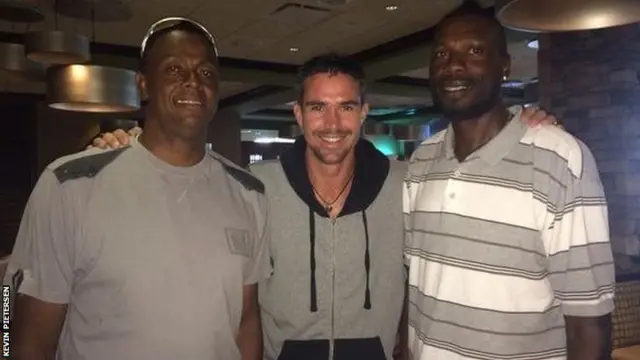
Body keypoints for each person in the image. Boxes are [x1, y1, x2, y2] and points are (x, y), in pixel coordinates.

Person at [91, 53, 557, 360]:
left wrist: (523, 122)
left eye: (345, 107)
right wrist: (129, 149)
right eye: (317, 108)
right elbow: (183, 183)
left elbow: (470, 159)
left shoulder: (407, 184)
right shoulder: (253, 188)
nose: (332, 123)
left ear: (364, 112)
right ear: (297, 114)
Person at [3, 17, 269, 360]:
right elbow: (20, 331)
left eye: (205, 73)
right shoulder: (70, 185)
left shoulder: (249, 194)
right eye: (174, 69)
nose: (192, 82)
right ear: (143, 85)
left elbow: (247, 321)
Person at [404, 2, 615, 360]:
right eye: (442, 53)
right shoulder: (421, 159)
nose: (453, 64)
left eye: (473, 50)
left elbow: (588, 320)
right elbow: (419, 285)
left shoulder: (560, 158)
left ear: (504, 67)